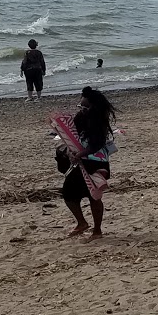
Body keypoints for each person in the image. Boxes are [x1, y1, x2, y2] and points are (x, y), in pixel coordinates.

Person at [64, 87, 116, 238]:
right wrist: (69, 150)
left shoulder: (99, 121)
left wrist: (80, 154)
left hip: (97, 162)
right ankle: (82, 223)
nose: (82, 109)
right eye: (81, 106)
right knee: (68, 193)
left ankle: (97, 230)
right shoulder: (80, 117)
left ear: (94, 107)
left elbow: (97, 144)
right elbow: (73, 135)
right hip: (81, 161)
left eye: (86, 107)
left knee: (94, 196)